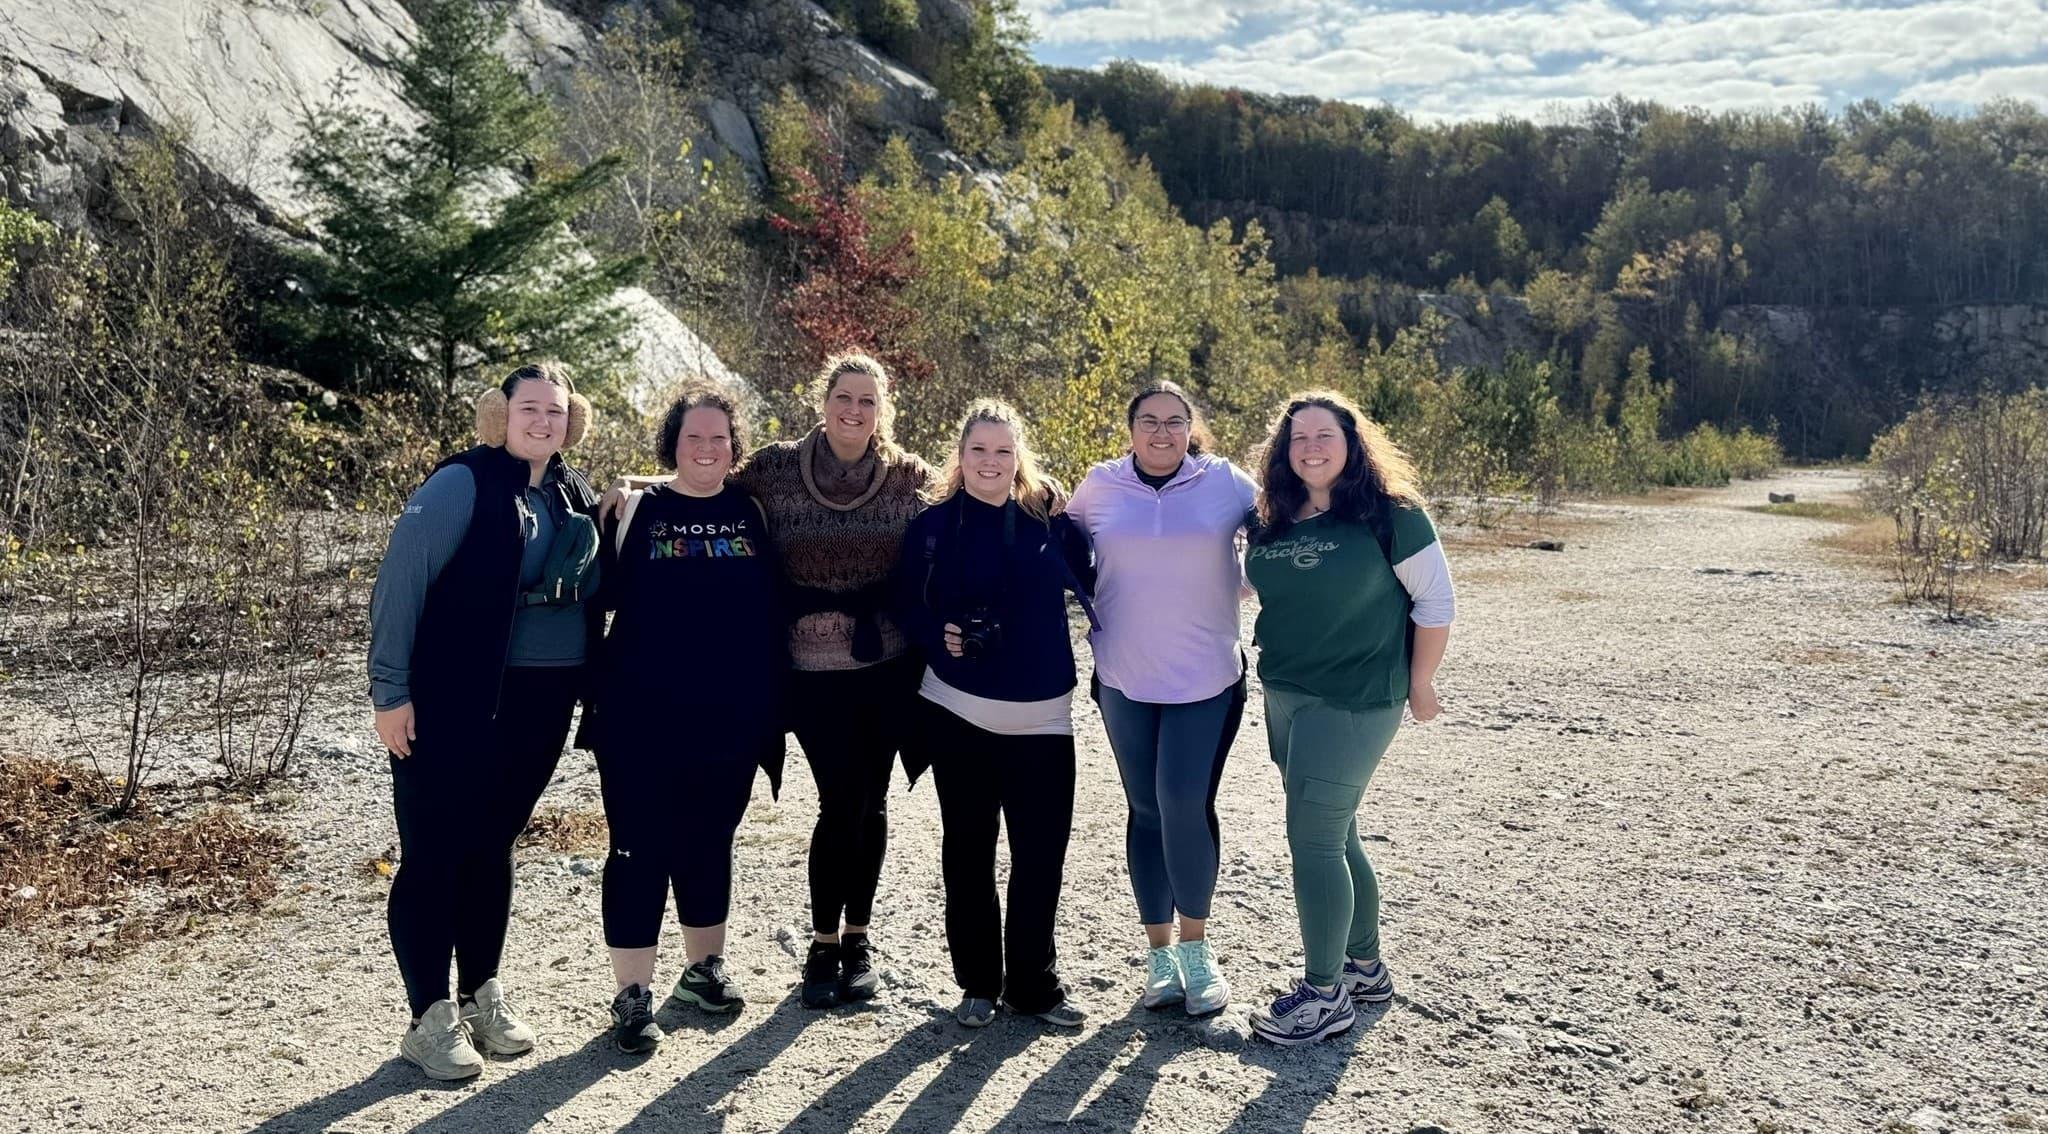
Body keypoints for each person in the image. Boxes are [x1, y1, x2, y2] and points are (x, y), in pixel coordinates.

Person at [604, 352, 933, 1008]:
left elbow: (973, 488)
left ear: (883, 408)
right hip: (807, 669)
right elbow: (699, 473)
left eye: (868, 400)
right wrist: (629, 488)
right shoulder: (777, 469)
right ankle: (820, 943)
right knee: (841, 801)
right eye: (844, 396)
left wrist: (1040, 495)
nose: (854, 410)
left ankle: (855, 939)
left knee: (871, 803)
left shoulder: (906, 476)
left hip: (885, 665)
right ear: (824, 399)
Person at [368, 362, 604, 1081]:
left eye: (555, 411)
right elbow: (399, 583)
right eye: (529, 408)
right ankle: (427, 1018)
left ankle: (480, 994)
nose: (543, 421)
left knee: (492, 842)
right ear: (501, 415)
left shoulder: (570, 490)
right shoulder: (460, 484)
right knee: (435, 850)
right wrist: (389, 693)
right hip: (455, 699)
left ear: (571, 420)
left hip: (541, 704)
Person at [1242, 391, 1455, 1046]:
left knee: (1314, 841)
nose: (1310, 446)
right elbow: (1251, 588)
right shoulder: (1274, 519)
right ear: (1284, 452)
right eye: (1296, 437)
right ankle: (1364, 970)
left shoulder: (1391, 517)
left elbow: (1436, 601)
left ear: (1351, 442)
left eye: (1323, 434)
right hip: (1285, 693)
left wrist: (1420, 683)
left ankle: (1324, 995)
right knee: (1338, 833)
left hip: (1357, 699)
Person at [591, 387, 786, 1053]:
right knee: (638, 846)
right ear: (671, 442)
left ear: (735, 447)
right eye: (692, 437)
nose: (706, 448)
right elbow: (596, 597)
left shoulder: (754, 511)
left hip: (729, 715)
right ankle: (632, 996)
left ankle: (702, 973)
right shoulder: (632, 510)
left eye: (719, 438)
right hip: (637, 714)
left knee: (710, 841)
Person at [892, 400, 1098, 1030]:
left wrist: (1066, 513)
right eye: (978, 450)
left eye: (1003, 451)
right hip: (957, 712)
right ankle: (978, 983)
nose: (990, 462)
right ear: (960, 456)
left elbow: (1098, 573)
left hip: (1044, 719)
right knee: (968, 852)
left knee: (1041, 856)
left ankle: (1033, 986)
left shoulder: (1050, 525)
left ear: (1020, 459)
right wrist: (939, 635)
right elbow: (903, 601)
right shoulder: (931, 527)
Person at [1064, 380, 1257, 1017]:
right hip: (1123, 675)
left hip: (1205, 679)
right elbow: (1053, 541)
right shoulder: (1099, 487)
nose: (1161, 432)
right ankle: (1160, 957)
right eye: (1149, 421)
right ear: (1131, 428)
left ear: (1190, 428)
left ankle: (1199, 954)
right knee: (1144, 809)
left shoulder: (1224, 483)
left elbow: (1287, 519)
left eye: (1175, 422)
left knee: (1182, 802)